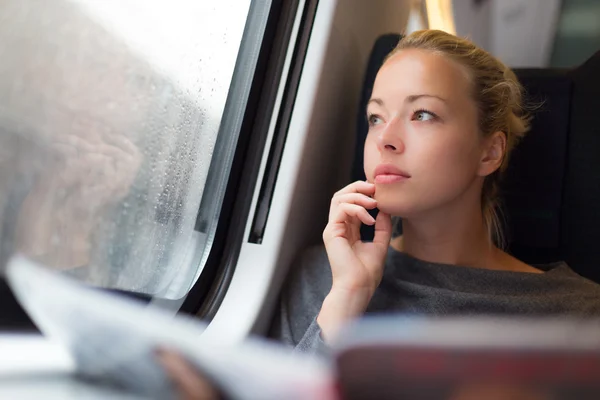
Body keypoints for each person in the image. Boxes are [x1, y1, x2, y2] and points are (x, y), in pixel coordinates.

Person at [161, 29, 600, 398]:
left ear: (489, 152)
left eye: (423, 114)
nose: (385, 139)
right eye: (375, 118)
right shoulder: (324, 276)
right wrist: (346, 299)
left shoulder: (579, 315)